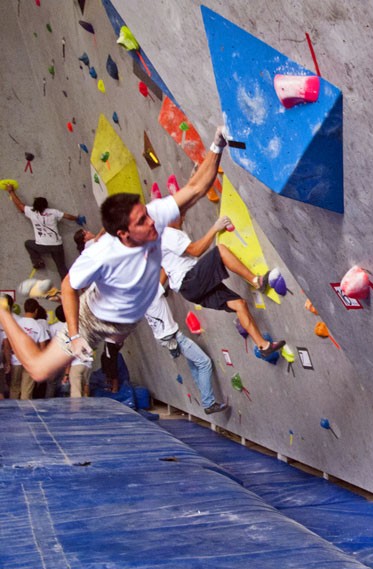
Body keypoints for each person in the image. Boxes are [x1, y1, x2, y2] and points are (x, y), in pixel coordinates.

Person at [0, 127, 230, 382]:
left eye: (147, 214)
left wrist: (217, 145)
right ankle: (3, 312)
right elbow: (68, 286)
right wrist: (75, 337)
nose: (152, 223)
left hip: (123, 319)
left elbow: (197, 187)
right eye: (142, 221)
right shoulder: (100, 254)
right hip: (93, 321)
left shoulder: (152, 216)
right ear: (123, 234)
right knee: (39, 371)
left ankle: (44, 292)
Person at [160, 213, 285, 355]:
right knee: (220, 250)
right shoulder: (167, 234)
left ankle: (263, 346)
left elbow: (164, 266)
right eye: (181, 216)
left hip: (188, 291)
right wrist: (215, 228)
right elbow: (195, 251)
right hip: (189, 281)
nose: (183, 218)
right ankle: (257, 281)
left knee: (239, 304)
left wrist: (158, 289)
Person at [145, 281, 227, 414]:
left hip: (164, 337)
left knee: (195, 366)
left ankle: (206, 398)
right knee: (204, 363)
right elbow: (166, 269)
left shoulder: (139, 297)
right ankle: (208, 403)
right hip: (173, 337)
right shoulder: (151, 291)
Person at [6, 186, 82, 280]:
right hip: (57, 246)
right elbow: (67, 216)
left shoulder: (32, 212)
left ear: (35, 206)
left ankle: (38, 261)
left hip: (42, 246)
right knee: (61, 267)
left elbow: (20, 205)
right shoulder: (53, 212)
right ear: (46, 205)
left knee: (28, 243)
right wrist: (77, 218)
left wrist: (11, 191)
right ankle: (69, 287)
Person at [8, 299, 50, 399]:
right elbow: (43, 348)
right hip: (31, 361)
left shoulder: (16, 323)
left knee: (14, 387)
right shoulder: (39, 326)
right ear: (36, 310)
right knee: (27, 390)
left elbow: (9, 342)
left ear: (24, 309)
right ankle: (26, 412)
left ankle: (11, 412)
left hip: (16, 359)